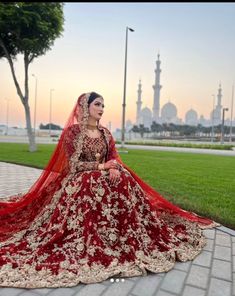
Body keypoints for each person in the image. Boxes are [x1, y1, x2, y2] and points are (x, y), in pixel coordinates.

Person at [0, 92, 218, 288]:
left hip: (105, 174)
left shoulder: (105, 133)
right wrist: (101, 166)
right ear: (85, 107)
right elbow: (73, 166)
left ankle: (125, 234)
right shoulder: (73, 133)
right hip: (79, 179)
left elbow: (113, 155)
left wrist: (113, 166)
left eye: (104, 105)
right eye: (97, 104)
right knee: (91, 184)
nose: (102, 109)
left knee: (124, 177)